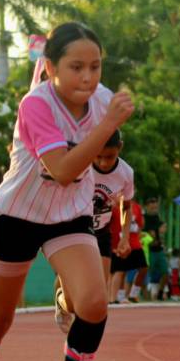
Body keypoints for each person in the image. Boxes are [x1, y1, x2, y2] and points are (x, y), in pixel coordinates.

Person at [0, 22, 134, 361]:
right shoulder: (35, 106)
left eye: (95, 67)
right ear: (52, 68)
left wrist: (109, 120)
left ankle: (67, 303)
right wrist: (107, 125)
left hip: (69, 216)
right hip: (17, 216)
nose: (88, 77)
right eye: (76, 67)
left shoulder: (101, 100)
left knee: (94, 305)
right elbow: (62, 170)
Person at [54, 129, 133, 333]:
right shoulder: (83, 165)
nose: (104, 162)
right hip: (76, 228)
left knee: (99, 292)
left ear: (120, 148)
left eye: (110, 157)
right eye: (98, 156)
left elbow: (126, 205)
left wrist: (124, 238)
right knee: (71, 297)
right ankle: (62, 299)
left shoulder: (126, 173)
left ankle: (84, 336)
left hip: (101, 232)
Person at [109, 200, 147, 303]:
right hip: (118, 242)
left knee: (143, 268)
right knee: (120, 270)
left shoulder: (136, 206)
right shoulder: (114, 206)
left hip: (134, 242)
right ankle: (117, 297)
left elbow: (140, 225)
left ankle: (133, 294)